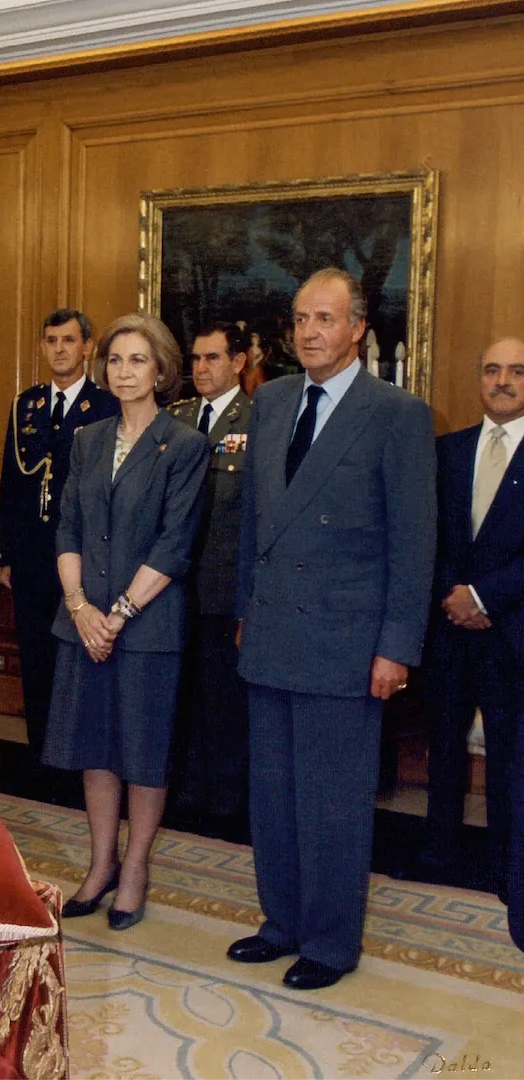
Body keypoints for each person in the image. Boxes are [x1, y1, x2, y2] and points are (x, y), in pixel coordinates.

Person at [229, 268, 435, 990]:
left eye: (325, 318)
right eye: (301, 318)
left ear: (357, 330)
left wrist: (395, 647)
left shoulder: (397, 413)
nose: (310, 331)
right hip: (274, 632)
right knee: (274, 793)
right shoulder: (274, 400)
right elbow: (256, 521)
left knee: (333, 802)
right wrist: (246, 614)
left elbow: (414, 543)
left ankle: (329, 941)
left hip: (348, 643)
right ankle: (280, 921)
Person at [44, 313, 208, 931]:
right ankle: (100, 864)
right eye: (115, 359)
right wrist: (80, 606)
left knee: (143, 753)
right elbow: (69, 528)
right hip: (84, 622)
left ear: (161, 369)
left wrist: (116, 616)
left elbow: (174, 545)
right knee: (95, 751)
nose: (124, 370)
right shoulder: (87, 439)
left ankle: (135, 869)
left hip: (146, 627)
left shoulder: (184, 445)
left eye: (138, 360)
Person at [419, 337, 524, 915]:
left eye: (516, 371)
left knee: (510, 754)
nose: (502, 380)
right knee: (444, 742)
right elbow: (425, 536)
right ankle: (439, 849)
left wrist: (484, 596)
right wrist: (452, 596)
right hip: (449, 628)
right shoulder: (447, 452)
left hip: (512, 631)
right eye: (491, 370)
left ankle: (507, 865)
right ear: (478, 379)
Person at [0, 310, 118, 769]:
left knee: (76, 659)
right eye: (51, 341)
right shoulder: (24, 406)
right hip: (30, 556)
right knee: (35, 655)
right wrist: (6, 554)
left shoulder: (105, 405)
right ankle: (38, 756)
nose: (59, 349)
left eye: (68, 340)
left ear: (87, 346)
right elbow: (12, 484)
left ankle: (74, 759)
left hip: (82, 555)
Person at [166, 322, 253, 834]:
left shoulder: (258, 418)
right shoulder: (176, 418)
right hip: (171, 586)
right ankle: (186, 789)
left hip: (223, 588)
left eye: (212, 358)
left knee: (223, 699)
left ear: (238, 363)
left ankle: (224, 799)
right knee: (181, 694)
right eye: (195, 359)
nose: (201, 369)